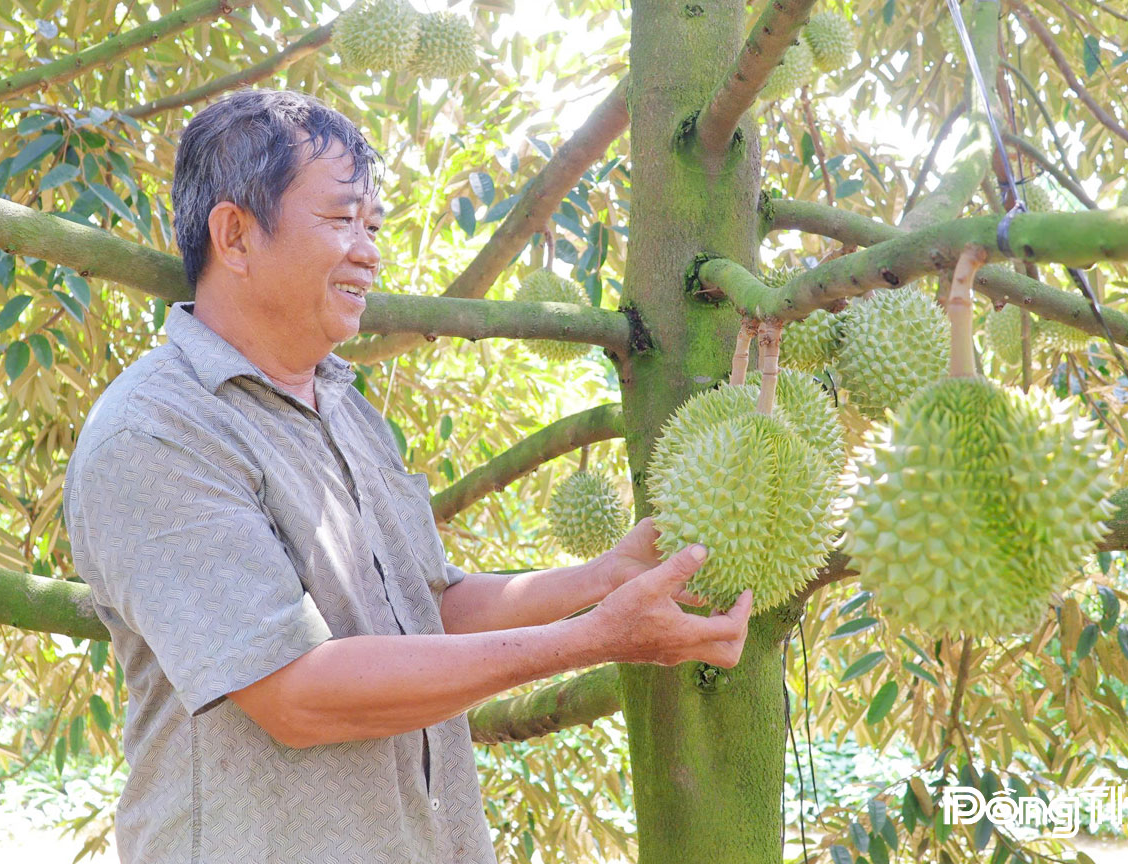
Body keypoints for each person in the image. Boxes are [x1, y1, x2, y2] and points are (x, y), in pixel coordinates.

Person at [62, 88, 754, 864]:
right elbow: (294, 694)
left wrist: (602, 576)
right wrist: (595, 638)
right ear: (235, 234)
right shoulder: (155, 432)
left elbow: (430, 611)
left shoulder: (342, 403)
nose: (368, 249)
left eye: (374, 225)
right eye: (339, 220)